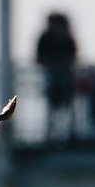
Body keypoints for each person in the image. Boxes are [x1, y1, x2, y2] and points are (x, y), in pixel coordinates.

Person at [35, 11, 80, 140]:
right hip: (53, 76)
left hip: (64, 77)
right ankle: (53, 133)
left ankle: (68, 133)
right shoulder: (47, 37)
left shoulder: (66, 37)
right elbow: (39, 57)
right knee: (54, 106)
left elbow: (73, 56)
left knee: (66, 106)